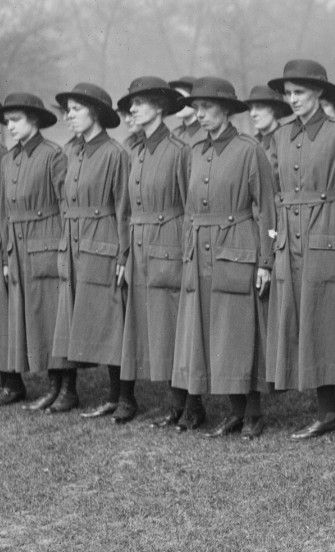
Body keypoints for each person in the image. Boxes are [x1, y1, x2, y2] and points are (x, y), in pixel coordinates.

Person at [266, 60, 335, 442]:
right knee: (306, 322)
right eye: (289, 93)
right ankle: (324, 414)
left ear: (319, 94)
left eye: (300, 93)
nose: (293, 100)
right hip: (291, 240)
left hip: (331, 233)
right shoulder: (279, 136)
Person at [170, 77, 275, 439]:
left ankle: (254, 413)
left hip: (237, 246)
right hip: (199, 251)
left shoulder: (250, 150)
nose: (199, 114)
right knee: (212, 332)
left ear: (227, 110)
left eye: (208, 107)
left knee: (238, 330)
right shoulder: (195, 150)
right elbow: (187, 208)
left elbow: (267, 209)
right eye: (196, 108)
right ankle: (233, 411)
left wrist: (265, 261)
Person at [51, 83, 131, 416]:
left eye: (75, 109)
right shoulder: (72, 152)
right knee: (69, 315)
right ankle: (69, 392)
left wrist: (123, 255)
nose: (69, 116)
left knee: (111, 317)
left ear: (94, 112)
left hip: (104, 240)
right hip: (73, 241)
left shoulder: (115, 153)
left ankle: (123, 397)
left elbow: (124, 208)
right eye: (67, 110)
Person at [115, 77, 189, 426]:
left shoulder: (178, 150)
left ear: (159, 106)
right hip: (141, 247)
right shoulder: (138, 151)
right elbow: (127, 208)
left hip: (169, 244)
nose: (132, 109)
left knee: (172, 325)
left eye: (140, 102)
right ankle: (178, 404)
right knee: (150, 328)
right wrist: (126, 253)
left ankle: (187, 404)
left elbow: (190, 208)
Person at [0, 94, 59, 407]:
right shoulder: (8, 160)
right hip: (18, 249)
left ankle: (62, 386)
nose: (10, 126)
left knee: (49, 315)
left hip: (46, 242)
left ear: (34, 120)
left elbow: (64, 206)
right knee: (25, 317)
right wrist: (8, 254)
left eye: (16, 120)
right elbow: (6, 213)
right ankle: (27, 384)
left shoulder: (52, 155)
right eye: (7, 121)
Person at [244, 85, 292, 159]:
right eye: (251, 108)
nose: (252, 114)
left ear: (274, 109)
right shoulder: (249, 144)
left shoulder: (287, 142)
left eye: (259, 107)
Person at [168, 76, 207, 146]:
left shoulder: (208, 133)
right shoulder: (173, 133)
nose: (177, 103)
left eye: (182, 99)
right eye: (175, 99)